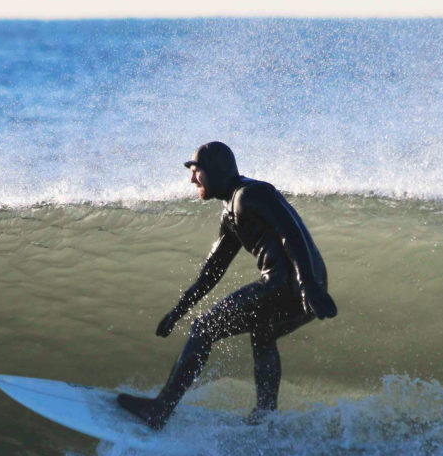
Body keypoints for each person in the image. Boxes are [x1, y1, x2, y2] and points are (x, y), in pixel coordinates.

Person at [117, 141, 337, 429]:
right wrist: (178, 310)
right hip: (301, 286)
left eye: (196, 171)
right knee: (263, 333)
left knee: (204, 328)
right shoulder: (232, 210)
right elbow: (212, 270)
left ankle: (161, 410)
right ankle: (265, 417)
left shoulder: (251, 193)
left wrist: (308, 284)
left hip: (291, 284)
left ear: (214, 171)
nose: (191, 179)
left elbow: (290, 233)